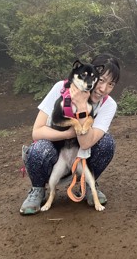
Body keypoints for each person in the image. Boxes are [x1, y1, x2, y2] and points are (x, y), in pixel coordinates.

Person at [20, 54, 121, 215]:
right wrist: (69, 133)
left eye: (111, 84)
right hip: (55, 153)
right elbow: (37, 132)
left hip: (82, 156)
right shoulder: (61, 88)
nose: (103, 89)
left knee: (106, 143)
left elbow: (86, 143)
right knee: (39, 149)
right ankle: (38, 189)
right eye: (101, 80)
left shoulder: (108, 105)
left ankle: (88, 184)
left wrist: (81, 105)